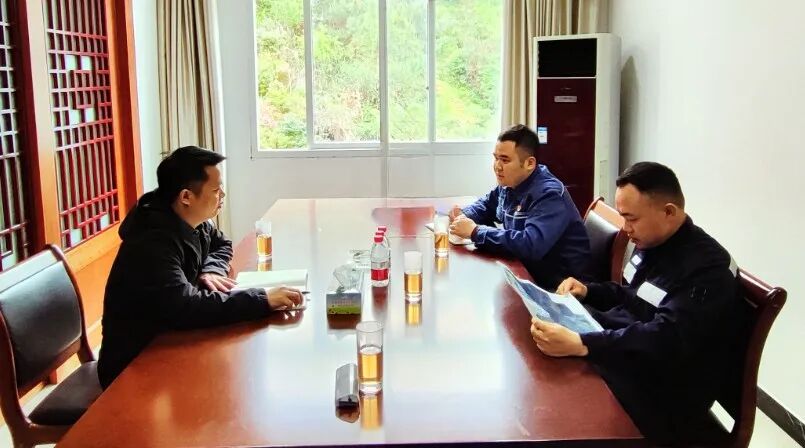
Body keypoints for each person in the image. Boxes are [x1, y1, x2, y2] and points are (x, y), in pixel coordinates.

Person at [530, 162, 740, 444]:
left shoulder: (707, 269)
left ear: (669, 212)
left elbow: (666, 338)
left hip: (665, 393)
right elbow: (631, 295)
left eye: (632, 219)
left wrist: (584, 344)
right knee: (542, 360)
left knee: (557, 402)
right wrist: (588, 291)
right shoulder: (654, 242)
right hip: (633, 355)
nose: (626, 229)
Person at [98, 146, 302, 388]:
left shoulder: (188, 219)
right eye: (215, 190)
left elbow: (221, 243)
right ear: (186, 197)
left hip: (173, 341)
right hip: (135, 366)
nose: (222, 195)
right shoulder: (152, 242)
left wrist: (212, 269)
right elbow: (185, 306)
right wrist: (262, 299)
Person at [449, 124, 590, 288]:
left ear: (529, 163)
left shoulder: (549, 195)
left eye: (505, 160)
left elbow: (530, 245)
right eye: (496, 158)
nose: (497, 166)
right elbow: (486, 205)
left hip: (558, 286)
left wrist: (475, 232)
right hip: (525, 272)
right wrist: (463, 215)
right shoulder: (510, 183)